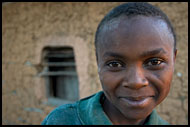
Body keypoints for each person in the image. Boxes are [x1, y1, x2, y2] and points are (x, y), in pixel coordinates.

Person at [41, 2, 177, 125]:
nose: (136, 82)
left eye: (154, 62)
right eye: (115, 64)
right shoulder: (61, 121)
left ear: (174, 60)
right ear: (98, 63)